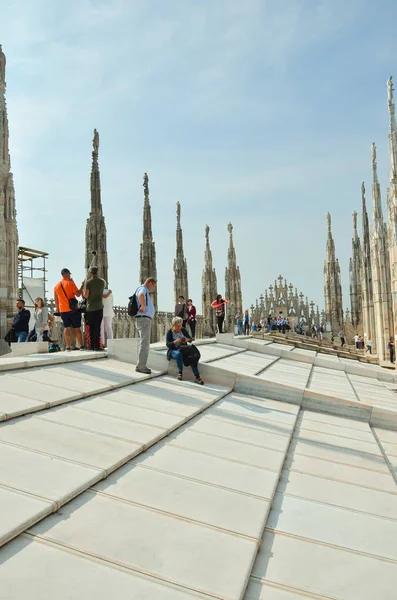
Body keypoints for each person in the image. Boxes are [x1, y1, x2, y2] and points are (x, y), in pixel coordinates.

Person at [166, 316, 204, 384]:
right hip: (173, 350)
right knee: (179, 354)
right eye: (178, 326)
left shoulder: (183, 330)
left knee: (194, 356)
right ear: (173, 325)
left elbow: (191, 339)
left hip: (184, 349)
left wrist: (188, 339)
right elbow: (168, 344)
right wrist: (175, 342)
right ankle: (180, 373)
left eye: (180, 326)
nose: (179, 328)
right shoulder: (169, 332)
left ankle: (197, 377)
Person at [54, 268, 84, 351]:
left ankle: (67, 346)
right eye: (69, 274)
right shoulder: (70, 283)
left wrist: (58, 310)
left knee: (66, 327)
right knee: (77, 328)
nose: (70, 275)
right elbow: (78, 294)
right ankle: (81, 345)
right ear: (66, 274)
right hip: (73, 309)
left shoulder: (56, 286)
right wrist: (82, 286)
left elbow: (56, 300)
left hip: (63, 310)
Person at [134, 277, 157, 374]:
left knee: (145, 342)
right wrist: (143, 306)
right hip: (143, 318)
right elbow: (140, 295)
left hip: (144, 318)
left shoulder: (144, 289)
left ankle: (141, 365)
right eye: (154, 286)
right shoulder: (143, 289)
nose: (154, 288)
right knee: (144, 343)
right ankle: (141, 366)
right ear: (149, 283)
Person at [83, 266, 105, 351]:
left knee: (91, 327)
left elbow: (86, 296)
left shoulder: (88, 282)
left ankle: (91, 345)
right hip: (99, 307)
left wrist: (84, 287)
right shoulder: (102, 282)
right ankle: (97, 346)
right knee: (97, 327)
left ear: (90, 273)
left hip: (91, 308)